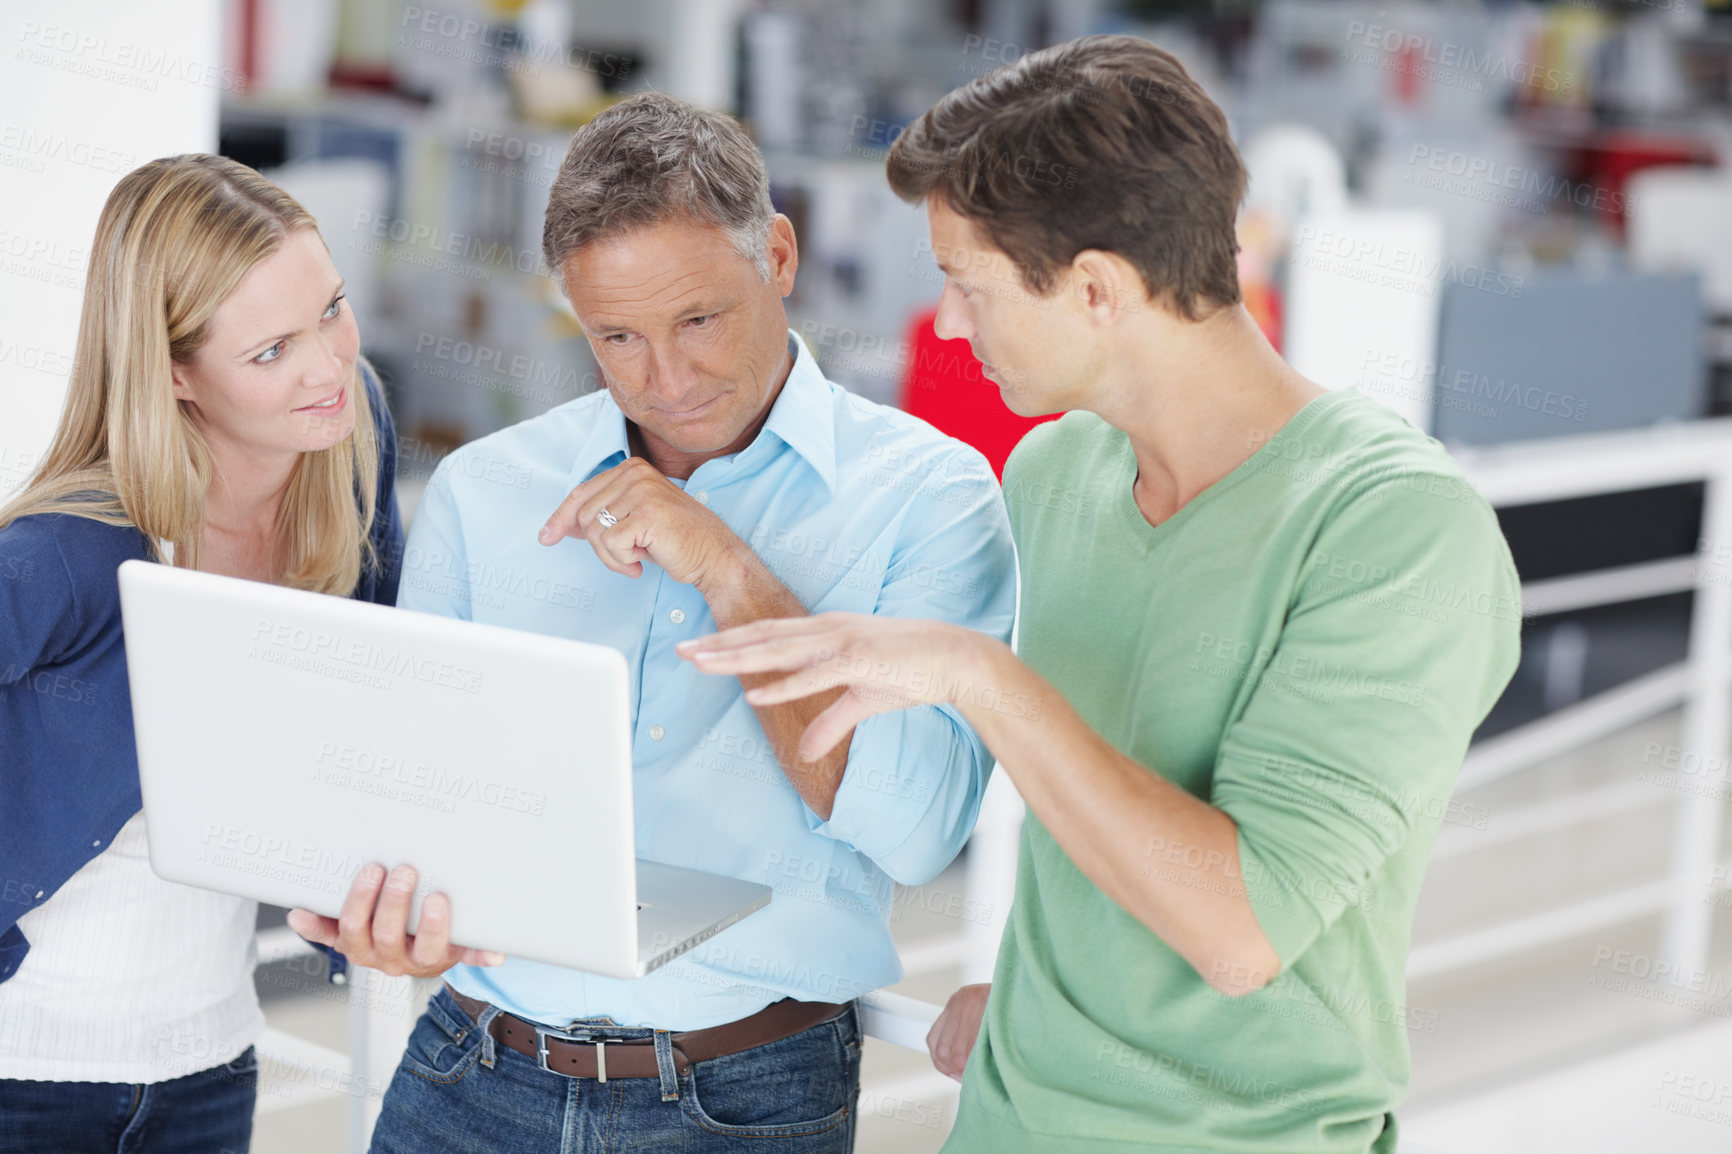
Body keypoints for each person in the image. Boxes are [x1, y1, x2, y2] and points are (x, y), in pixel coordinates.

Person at [680, 35, 1523, 1154]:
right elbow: (1091, 803)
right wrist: (1045, 999)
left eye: (966, 285)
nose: (947, 323)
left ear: (1095, 289)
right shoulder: (1056, 472)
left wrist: (977, 675)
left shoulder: (1397, 529)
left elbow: (1239, 927)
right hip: (1007, 1117)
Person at [284, 93, 1017, 1152]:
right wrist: (394, 919)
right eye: (615, 336)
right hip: (466, 1069)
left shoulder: (932, 496)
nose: (663, 381)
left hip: (743, 1094)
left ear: (776, 253)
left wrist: (725, 563)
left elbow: (914, 828)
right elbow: (419, 801)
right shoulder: (488, 489)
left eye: (698, 320)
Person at [0, 153, 405, 1154]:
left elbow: (381, 694)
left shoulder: (347, 452)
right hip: (28, 1070)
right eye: (270, 351)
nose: (327, 365)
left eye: (333, 310)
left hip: (210, 1061)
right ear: (173, 372)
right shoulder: (63, 553)